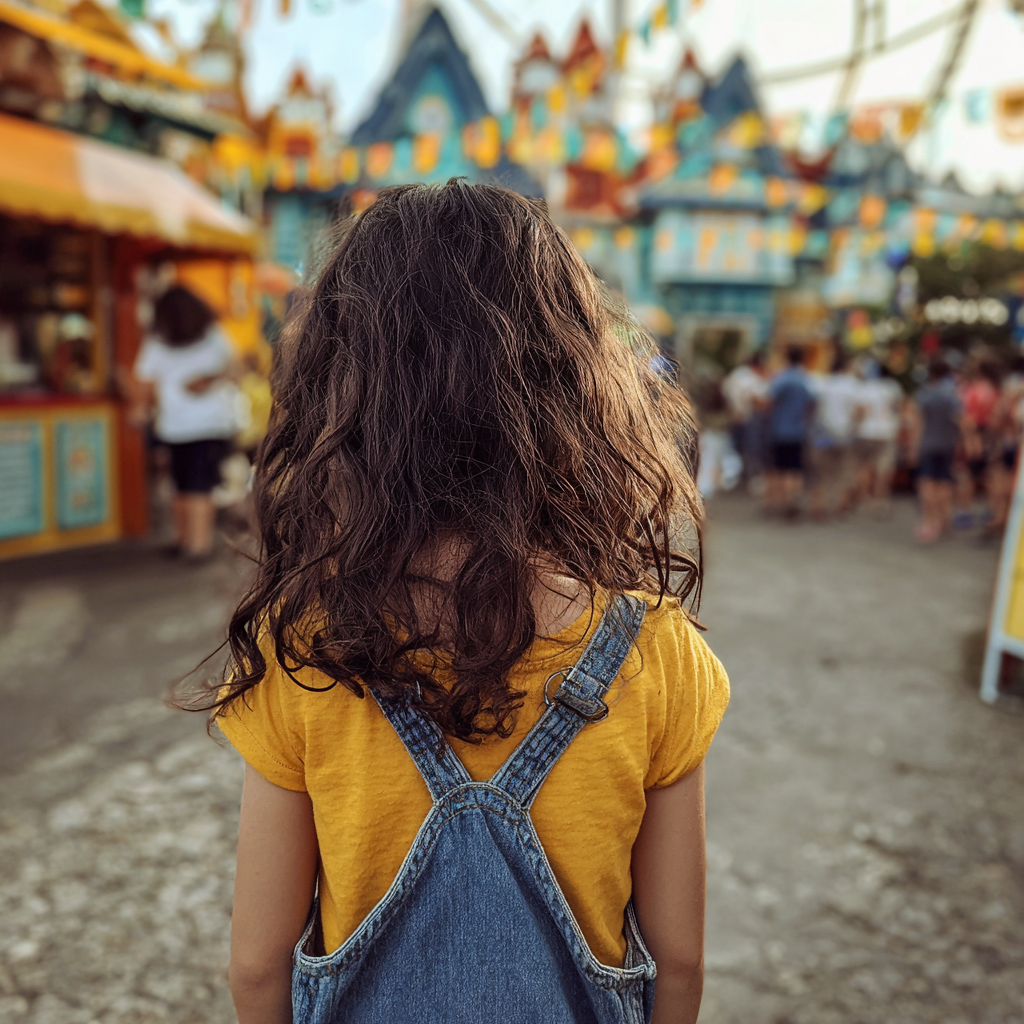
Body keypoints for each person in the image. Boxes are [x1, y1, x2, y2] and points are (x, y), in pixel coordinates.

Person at [201, 182, 729, 1024]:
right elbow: (682, 962)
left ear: (347, 395)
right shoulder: (657, 653)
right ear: (576, 386)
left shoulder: (303, 644)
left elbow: (259, 968)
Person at [132, 285, 239, 560]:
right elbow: (236, 366)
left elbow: (144, 381)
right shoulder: (213, 334)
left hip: (174, 425)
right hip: (212, 423)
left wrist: (140, 410)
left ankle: (187, 543)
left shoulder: (156, 340)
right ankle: (197, 545)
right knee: (199, 485)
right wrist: (209, 379)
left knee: (180, 485)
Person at [911, 357, 963, 544]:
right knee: (944, 483)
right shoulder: (953, 394)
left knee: (927, 484)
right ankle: (945, 519)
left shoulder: (925, 393)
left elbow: (917, 421)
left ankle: (929, 521)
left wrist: (913, 447)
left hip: (928, 444)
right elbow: (960, 419)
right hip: (948, 444)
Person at [807, 349, 861, 520]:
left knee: (820, 474)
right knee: (843, 473)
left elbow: (812, 409)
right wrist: (853, 426)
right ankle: (840, 505)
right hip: (845, 435)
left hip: (822, 436)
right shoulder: (853, 386)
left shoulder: (823, 384)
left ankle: (819, 506)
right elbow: (860, 411)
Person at [765, 345, 815, 517]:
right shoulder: (805, 378)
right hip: (798, 431)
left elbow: (769, 401)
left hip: (779, 430)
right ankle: (794, 500)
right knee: (795, 468)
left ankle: (780, 502)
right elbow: (812, 403)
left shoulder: (782, 378)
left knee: (780, 468)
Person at [852, 360, 904, 512]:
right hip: (887, 432)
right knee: (884, 468)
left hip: (866, 431)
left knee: (864, 467)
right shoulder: (893, 387)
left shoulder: (864, 388)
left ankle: (863, 497)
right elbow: (899, 409)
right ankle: (879, 499)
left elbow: (859, 412)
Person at [722, 350, 769, 487]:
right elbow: (756, 399)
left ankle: (737, 477)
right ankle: (751, 477)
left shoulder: (736, 374)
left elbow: (725, 393)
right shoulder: (752, 378)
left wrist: (732, 410)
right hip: (750, 417)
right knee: (752, 448)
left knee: (736, 448)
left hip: (736, 416)